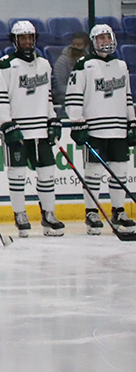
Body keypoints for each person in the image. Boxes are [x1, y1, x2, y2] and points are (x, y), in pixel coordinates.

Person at [0, 20, 63, 237]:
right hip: (18, 129)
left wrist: (53, 120)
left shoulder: (44, 64)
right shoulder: (4, 65)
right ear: (14, 40)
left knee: (47, 173)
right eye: (23, 38)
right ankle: (20, 214)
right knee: (17, 174)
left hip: (40, 128)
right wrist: (7, 124)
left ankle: (48, 214)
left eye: (30, 37)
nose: (27, 42)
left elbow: (48, 97)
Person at [66, 24, 133, 235]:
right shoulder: (83, 65)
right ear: (93, 43)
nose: (105, 41)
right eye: (101, 38)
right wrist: (77, 122)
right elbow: (74, 95)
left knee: (120, 171)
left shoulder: (121, 65)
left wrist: (132, 122)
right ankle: (91, 212)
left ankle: (118, 210)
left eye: (108, 37)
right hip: (94, 128)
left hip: (119, 128)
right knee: (93, 172)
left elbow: (127, 96)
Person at [51, 32, 89, 101]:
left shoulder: (89, 61)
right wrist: (78, 93)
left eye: (79, 45)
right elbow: (59, 87)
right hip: (65, 97)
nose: (75, 47)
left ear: (86, 47)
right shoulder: (62, 61)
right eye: (74, 44)